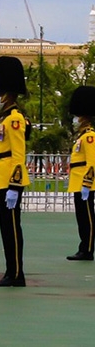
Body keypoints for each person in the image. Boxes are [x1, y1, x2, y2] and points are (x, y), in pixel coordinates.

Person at [0, 56, 29, 287]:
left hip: (9, 181)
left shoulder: (14, 120)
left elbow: (18, 154)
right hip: (3, 179)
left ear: (8, 93)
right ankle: (11, 270)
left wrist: (14, 184)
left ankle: (15, 273)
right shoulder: (7, 119)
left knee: (11, 227)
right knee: (6, 228)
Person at [66, 85, 95, 261]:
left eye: (77, 116)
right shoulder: (82, 137)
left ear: (84, 117)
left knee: (88, 218)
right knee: (82, 218)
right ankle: (83, 246)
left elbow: (92, 162)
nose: (75, 120)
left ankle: (88, 248)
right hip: (77, 183)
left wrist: (87, 184)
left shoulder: (90, 137)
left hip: (85, 184)